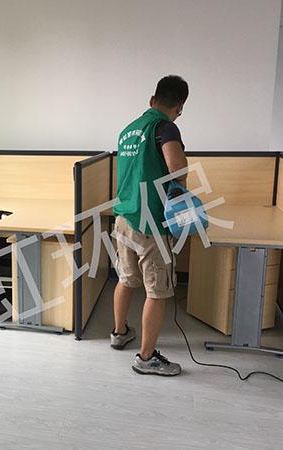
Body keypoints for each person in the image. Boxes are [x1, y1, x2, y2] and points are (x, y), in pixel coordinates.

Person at [111, 75, 189, 376]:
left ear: (152, 99)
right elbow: (177, 168)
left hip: (124, 218)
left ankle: (119, 333)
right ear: (179, 106)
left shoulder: (127, 131)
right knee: (157, 291)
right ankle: (146, 359)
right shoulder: (165, 127)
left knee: (126, 279)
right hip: (151, 223)